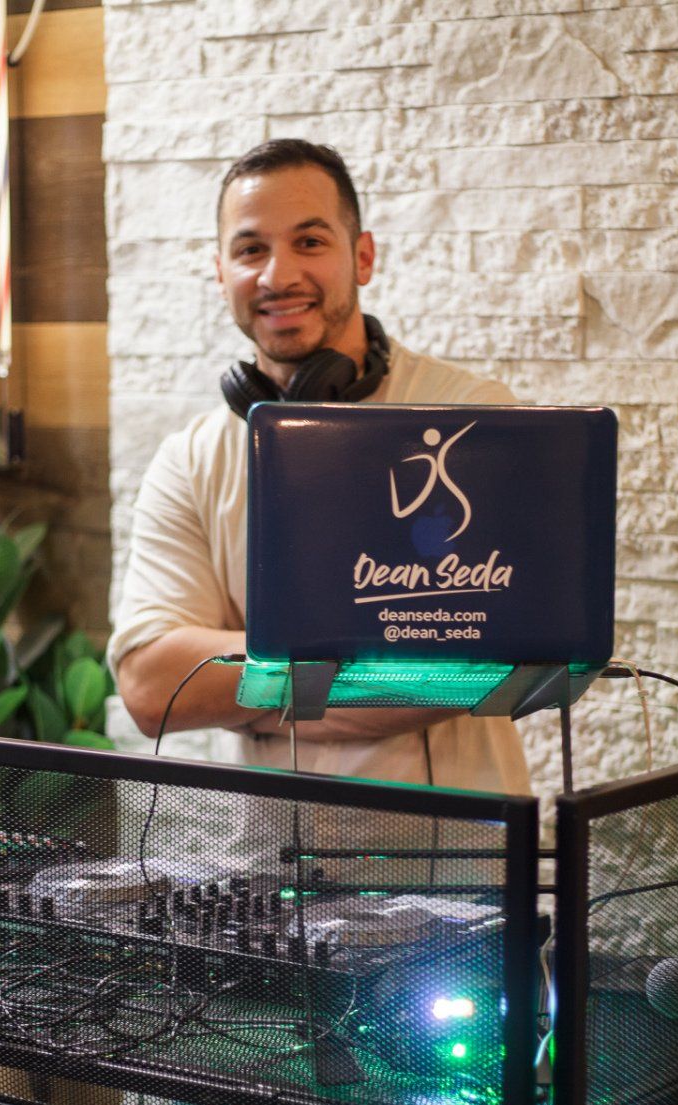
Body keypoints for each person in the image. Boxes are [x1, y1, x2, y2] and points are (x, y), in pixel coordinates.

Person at [108, 139, 530, 794]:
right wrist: (379, 661)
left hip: (456, 844)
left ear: (362, 257)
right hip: (264, 850)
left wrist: (250, 690)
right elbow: (150, 686)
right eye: (251, 250)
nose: (278, 275)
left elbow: (482, 663)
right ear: (220, 271)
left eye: (309, 242)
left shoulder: (478, 422)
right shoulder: (191, 460)